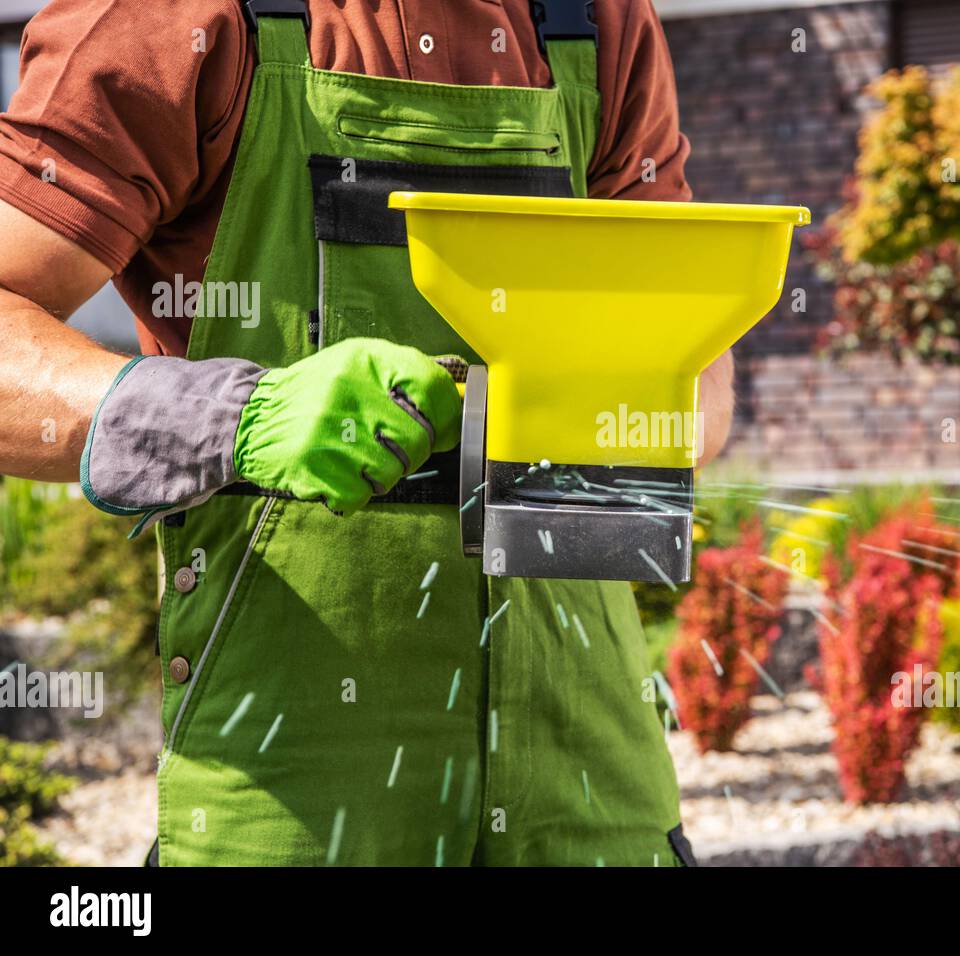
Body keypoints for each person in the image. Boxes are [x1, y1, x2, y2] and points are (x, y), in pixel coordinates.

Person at [0, 0, 733, 866]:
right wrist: (238, 417)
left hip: (592, 781)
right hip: (297, 795)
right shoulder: (176, 20)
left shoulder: (600, 21)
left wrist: (625, 407)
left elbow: (698, 375)